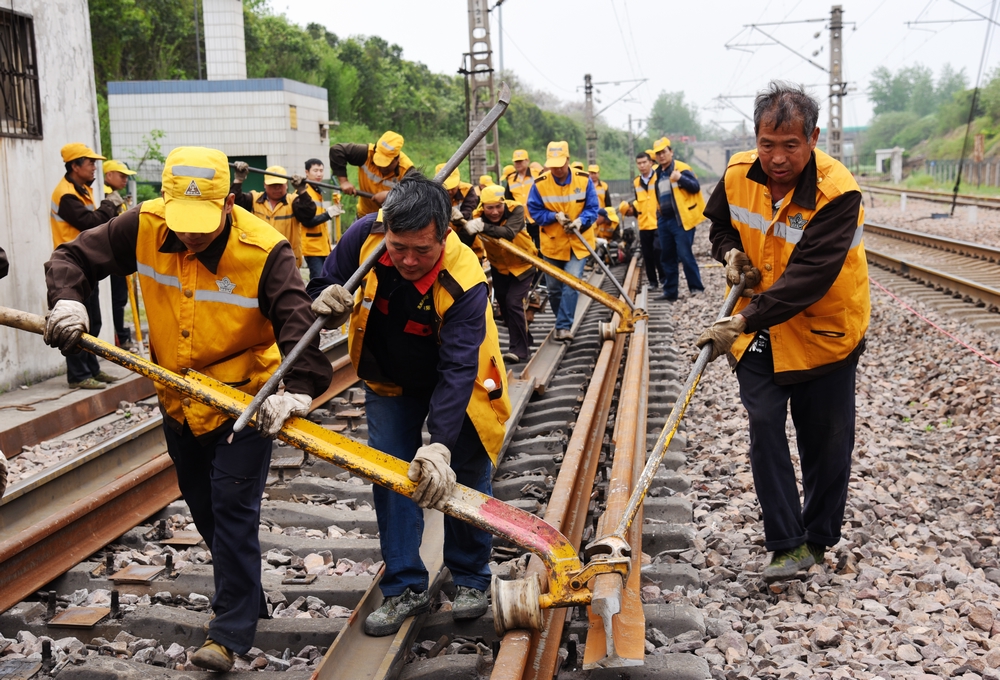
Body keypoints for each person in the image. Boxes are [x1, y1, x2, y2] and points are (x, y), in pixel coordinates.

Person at [43, 147, 333, 671]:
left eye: (204, 224)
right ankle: (248, 597)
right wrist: (68, 299)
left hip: (241, 402)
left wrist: (300, 388)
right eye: (184, 223)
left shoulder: (265, 249)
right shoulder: (146, 225)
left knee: (232, 510)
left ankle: (229, 632)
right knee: (203, 508)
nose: (192, 235)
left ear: (227, 202)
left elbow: (296, 319)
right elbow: (73, 257)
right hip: (177, 401)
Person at [307, 173, 511, 637]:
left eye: (423, 250)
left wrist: (439, 446)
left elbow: (458, 370)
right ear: (386, 230)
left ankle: (472, 579)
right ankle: (404, 587)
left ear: (444, 233)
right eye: (399, 247)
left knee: (465, 470)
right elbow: (325, 277)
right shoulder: (365, 236)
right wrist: (323, 298)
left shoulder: (466, 279)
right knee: (392, 475)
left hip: (460, 380)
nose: (409, 260)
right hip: (388, 377)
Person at [697, 81, 870, 583]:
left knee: (827, 442)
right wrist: (730, 253)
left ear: (812, 138)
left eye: (790, 145)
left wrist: (740, 320)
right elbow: (720, 227)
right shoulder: (736, 173)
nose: (776, 158)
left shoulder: (838, 192)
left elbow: (809, 278)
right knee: (765, 425)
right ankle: (786, 544)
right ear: (756, 137)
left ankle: (817, 537)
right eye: (767, 144)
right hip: (759, 331)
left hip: (824, 331)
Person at [50, 143, 122, 389]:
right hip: (71, 267)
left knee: (94, 321)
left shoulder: (82, 191)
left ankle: (92, 369)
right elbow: (91, 223)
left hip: (86, 264)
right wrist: (109, 206)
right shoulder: (66, 195)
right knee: (74, 322)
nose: (94, 167)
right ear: (74, 166)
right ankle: (78, 376)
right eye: (90, 162)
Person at [526, 141, 599, 342]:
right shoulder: (540, 183)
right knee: (554, 288)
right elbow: (534, 211)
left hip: (578, 243)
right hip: (552, 244)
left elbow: (593, 208)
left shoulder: (583, 181)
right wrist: (553, 217)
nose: (557, 169)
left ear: (567, 160)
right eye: (553, 165)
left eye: (560, 164)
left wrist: (580, 221)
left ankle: (563, 326)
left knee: (572, 282)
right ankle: (562, 320)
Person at [464, 184, 536, 364]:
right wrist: (464, 226)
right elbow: (465, 241)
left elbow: (509, 233)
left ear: (504, 203)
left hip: (523, 264)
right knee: (504, 307)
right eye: (490, 208)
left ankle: (519, 350)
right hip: (499, 267)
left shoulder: (516, 209)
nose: (495, 212)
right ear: (483, 207)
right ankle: (525, 338)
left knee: (514, 303)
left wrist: (482, 227)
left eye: (498, 206)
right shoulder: (477, 217)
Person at [652, 137, 706, 301]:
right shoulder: (658, 173)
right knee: (667, 256)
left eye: (664, 152)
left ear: (671, 152)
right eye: (658, 153)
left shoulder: (682, 168)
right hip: (665, 220)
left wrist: (680, 178)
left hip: (681, 220)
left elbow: (695, 187)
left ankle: (696, 287)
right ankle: (670, 292)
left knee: (684, 254)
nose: (661, 156)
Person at [230, 163, 303, 267]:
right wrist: (238, 180)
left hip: (288, 259)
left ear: (286, 184)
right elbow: (234, 204)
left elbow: (308, 214)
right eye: (273, 185)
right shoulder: (254, 199)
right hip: (260, 257)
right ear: (264, 184)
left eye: (280, 185)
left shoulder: (293, 201)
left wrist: (302, 190)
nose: (277, 188)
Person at [330, 131, 414, 218]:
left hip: (390, 221)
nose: (382, 167)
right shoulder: (366, 154)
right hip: (363, 215)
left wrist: (391, 195)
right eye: (379, 162)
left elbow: (416, 195)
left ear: (397, 159)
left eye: (387, 164)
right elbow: (337, 150)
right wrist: (344, 182)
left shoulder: (407, 170)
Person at [103, 160, 137, 350]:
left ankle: (121, 334)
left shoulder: (116, 196)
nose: (125, 180)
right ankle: (120, 336)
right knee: (118, 299)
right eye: (121, 176)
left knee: (120, 299)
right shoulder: (106, 196)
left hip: (121, 255)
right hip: (113, 256)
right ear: (109, 175)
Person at [620, 152, 666, 290]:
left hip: (657, 221)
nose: (642, 166)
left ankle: (664, 279)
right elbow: (638, 201)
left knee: (658, 251)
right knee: (647, 254)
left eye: (644, 162)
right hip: (644, 224)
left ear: (651, 162)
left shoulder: (659, 176)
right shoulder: (636, 182)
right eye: (639, 163)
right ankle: (653, 282)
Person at [290, 158, 342, 280]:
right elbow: (307, 221)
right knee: (317, 279)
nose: (319, 174)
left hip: (321, 245)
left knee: (324, 278)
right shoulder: (303, 193)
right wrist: (328, 214)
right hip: (312, 247)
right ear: (306, 172)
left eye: (321, 170)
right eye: (315, 170)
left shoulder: (317, 191)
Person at [435, 163, 479, 249]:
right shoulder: (432, 194)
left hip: (468, 241)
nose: (450, 192)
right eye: (447, 189)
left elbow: (469, 210)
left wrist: (461, 215)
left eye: (453, 188)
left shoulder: (467, 190)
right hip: (443, 242)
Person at [504, 149, 540, 247]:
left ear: (527, 161)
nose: (518, 164)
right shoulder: (511, 180)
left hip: (537, 217)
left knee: (540, 247)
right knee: (525, 247)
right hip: (521, 220)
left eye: (520, 161)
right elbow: (509, 200)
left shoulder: (536, 174)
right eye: (516, 162)